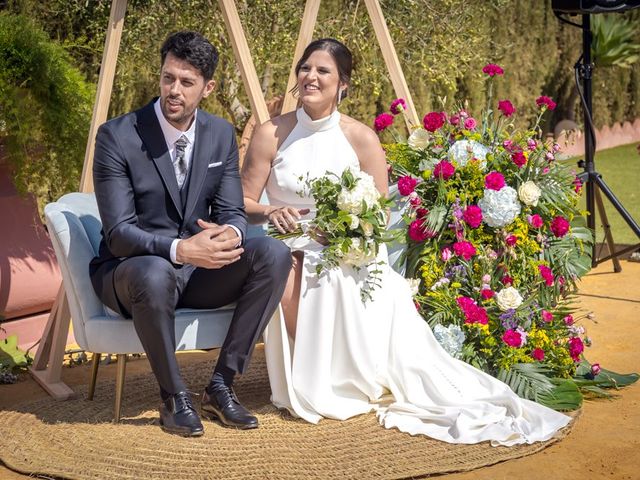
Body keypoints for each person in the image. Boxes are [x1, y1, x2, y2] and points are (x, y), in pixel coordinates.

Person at [241, 38, 572, 446]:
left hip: (346, 247)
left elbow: (377, 212)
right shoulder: (272, 132)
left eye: (322, 71)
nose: (310, 77)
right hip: (286, 240)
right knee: (289, 266)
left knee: (339, 274)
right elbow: (243, 200)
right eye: (305, 68)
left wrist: (348, 232)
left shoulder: (360, 138)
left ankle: (348, 375)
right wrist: (271, 212)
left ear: (342, 83)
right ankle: (315, 378)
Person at [90, 31, 291, 437]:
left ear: (208, 87)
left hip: (197, 274)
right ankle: (173, 396)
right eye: (168, 78)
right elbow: (118, 234)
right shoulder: (118, 136)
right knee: (154, 272)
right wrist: (181, 249)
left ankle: (221, 385)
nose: (173, 91)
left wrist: (230, 235)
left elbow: (234, 212)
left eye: (186, 82)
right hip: (132, 273)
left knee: (273, 254)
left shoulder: (219, 134)